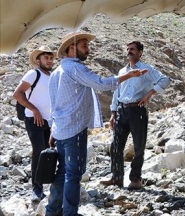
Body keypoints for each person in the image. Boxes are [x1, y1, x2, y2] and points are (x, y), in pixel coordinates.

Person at [45, 31, 147, 216]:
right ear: (72, 48)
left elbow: (54, 104)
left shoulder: (57, 71)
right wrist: (128, 75)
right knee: (73, 174)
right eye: (84, 46)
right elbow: (101, 83)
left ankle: (51, 211)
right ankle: (69, 213)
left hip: (61, 129)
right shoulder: (75, 68)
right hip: (74, 129)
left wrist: (53, 128)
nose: (88, 50)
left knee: (62, 173)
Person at [100, 41, 170, 189]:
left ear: (140, 52)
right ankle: (117, 178)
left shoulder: (147, 69)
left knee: (139, 146)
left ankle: (136, 178)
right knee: (115, 146)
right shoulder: (122, 72)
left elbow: (165, 80)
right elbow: (116, 93)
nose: (129, 51)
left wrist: (149, 94)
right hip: (122, 111)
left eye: (132, 49)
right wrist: (113, 113)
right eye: (127, 49)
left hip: (137, 111)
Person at [13, 45, 56, 202]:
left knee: (48, 152)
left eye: (51, 58)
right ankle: (36, 189)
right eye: (46, 57)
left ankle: (46, 185)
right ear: (38, 60)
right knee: (39, 150)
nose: (49, 60)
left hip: (48, 120)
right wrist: (35, 110)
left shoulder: (52, 76)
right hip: (33, 118)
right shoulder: (33, 73)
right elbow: (17, 94)